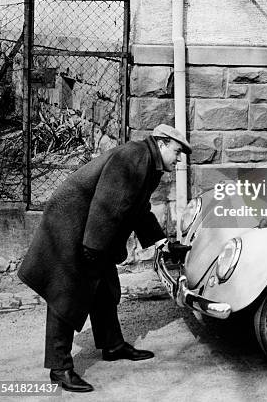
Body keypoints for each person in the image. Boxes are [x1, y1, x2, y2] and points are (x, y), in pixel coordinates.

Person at [18, 124, 192, 393]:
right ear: (162, 143)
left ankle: (112, 345)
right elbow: (106, 203)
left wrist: (162, 243)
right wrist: (93, 248)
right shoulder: (134, 157)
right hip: (71, 226)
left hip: (89, 228)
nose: (179, 159)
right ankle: (59, 368)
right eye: (177, 152)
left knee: (107, 288)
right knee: (66, 294)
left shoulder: (148, 163)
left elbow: (138, 210)